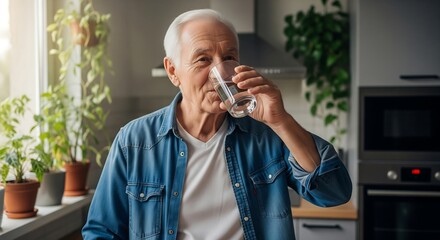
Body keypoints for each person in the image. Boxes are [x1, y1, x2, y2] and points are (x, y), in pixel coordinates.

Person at [82, 9, 352, 240]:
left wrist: (281, 121)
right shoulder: (134, 141)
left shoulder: (267, 135)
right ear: (173, 70)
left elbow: (334, 192)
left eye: (229, 58)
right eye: (203, 60)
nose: (219, 73)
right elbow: (101, 232)